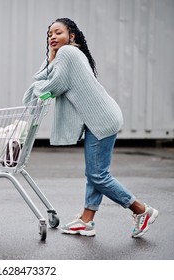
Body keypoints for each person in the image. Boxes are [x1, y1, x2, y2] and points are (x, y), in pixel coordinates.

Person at [22, 18, 158, 238]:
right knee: (95, 174)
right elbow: (45, 75)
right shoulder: (66, 55)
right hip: (101, 117)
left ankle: (142, 210)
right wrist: (50, 57)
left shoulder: (68, 53)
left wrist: (36, 89)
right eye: (49, 35)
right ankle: (87, 220)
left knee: (98, 175)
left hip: (101, 119)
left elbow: (55, 85)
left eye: (58, 33)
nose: (53, 37)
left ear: (72, 35)